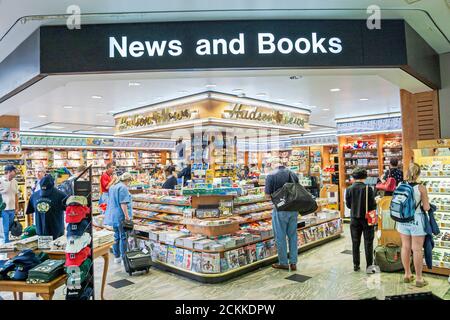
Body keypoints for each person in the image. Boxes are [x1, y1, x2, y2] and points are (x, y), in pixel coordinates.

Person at [396, 163, 430, 287]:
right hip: (416, 220)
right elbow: (426, 207)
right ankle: (419, 279)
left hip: (402, 220)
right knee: (417, 249)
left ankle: (407, 274)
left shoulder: (400, 185)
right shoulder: (421, 188)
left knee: (405, 247)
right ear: (418, 174)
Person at [264, 160, 299, 271]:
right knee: (293, 236)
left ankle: (283, 262)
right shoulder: (293, 174)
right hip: (294, 208)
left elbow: (267, 196)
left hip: (280, 209)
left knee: (280, 236)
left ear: (273, 164)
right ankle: (293, 263)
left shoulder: (271, 175)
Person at [345, 167, 376, 272]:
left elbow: (349, 205)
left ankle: (356, 265)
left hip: (354, 219)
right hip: (367, 219)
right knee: (368, 243)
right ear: (365, 177)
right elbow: (372, 205)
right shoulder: (368, 189)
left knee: (355, 242)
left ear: (354, 177)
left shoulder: (349, 189)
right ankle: (369, 267)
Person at [104, 172, 133, 264]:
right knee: (123, 236)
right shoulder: (123, 188)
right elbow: (123, 203)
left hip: (114, 215)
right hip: (121, 215)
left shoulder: (113, 187)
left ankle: (117, 257)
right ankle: (123, 257)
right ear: (127, 180)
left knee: (116, 236)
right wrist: (127, 217)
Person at [26, 174, 67, 239]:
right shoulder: (34, 196)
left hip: (56, 233)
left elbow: (68, 211)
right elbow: (30, 211)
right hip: (40, 233)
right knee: (42, 249)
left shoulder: (61, 195)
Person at [0, 165, 19, 243]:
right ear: (9, 172)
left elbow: (16, 195)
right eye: (15, 171)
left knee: (10, 227)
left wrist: (17, 207)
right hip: (4, 209)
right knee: (5, 228)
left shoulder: (15, 181)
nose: (16, 172)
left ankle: (8, 242)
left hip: (12, 209)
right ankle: (5, 243)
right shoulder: (1, 181)